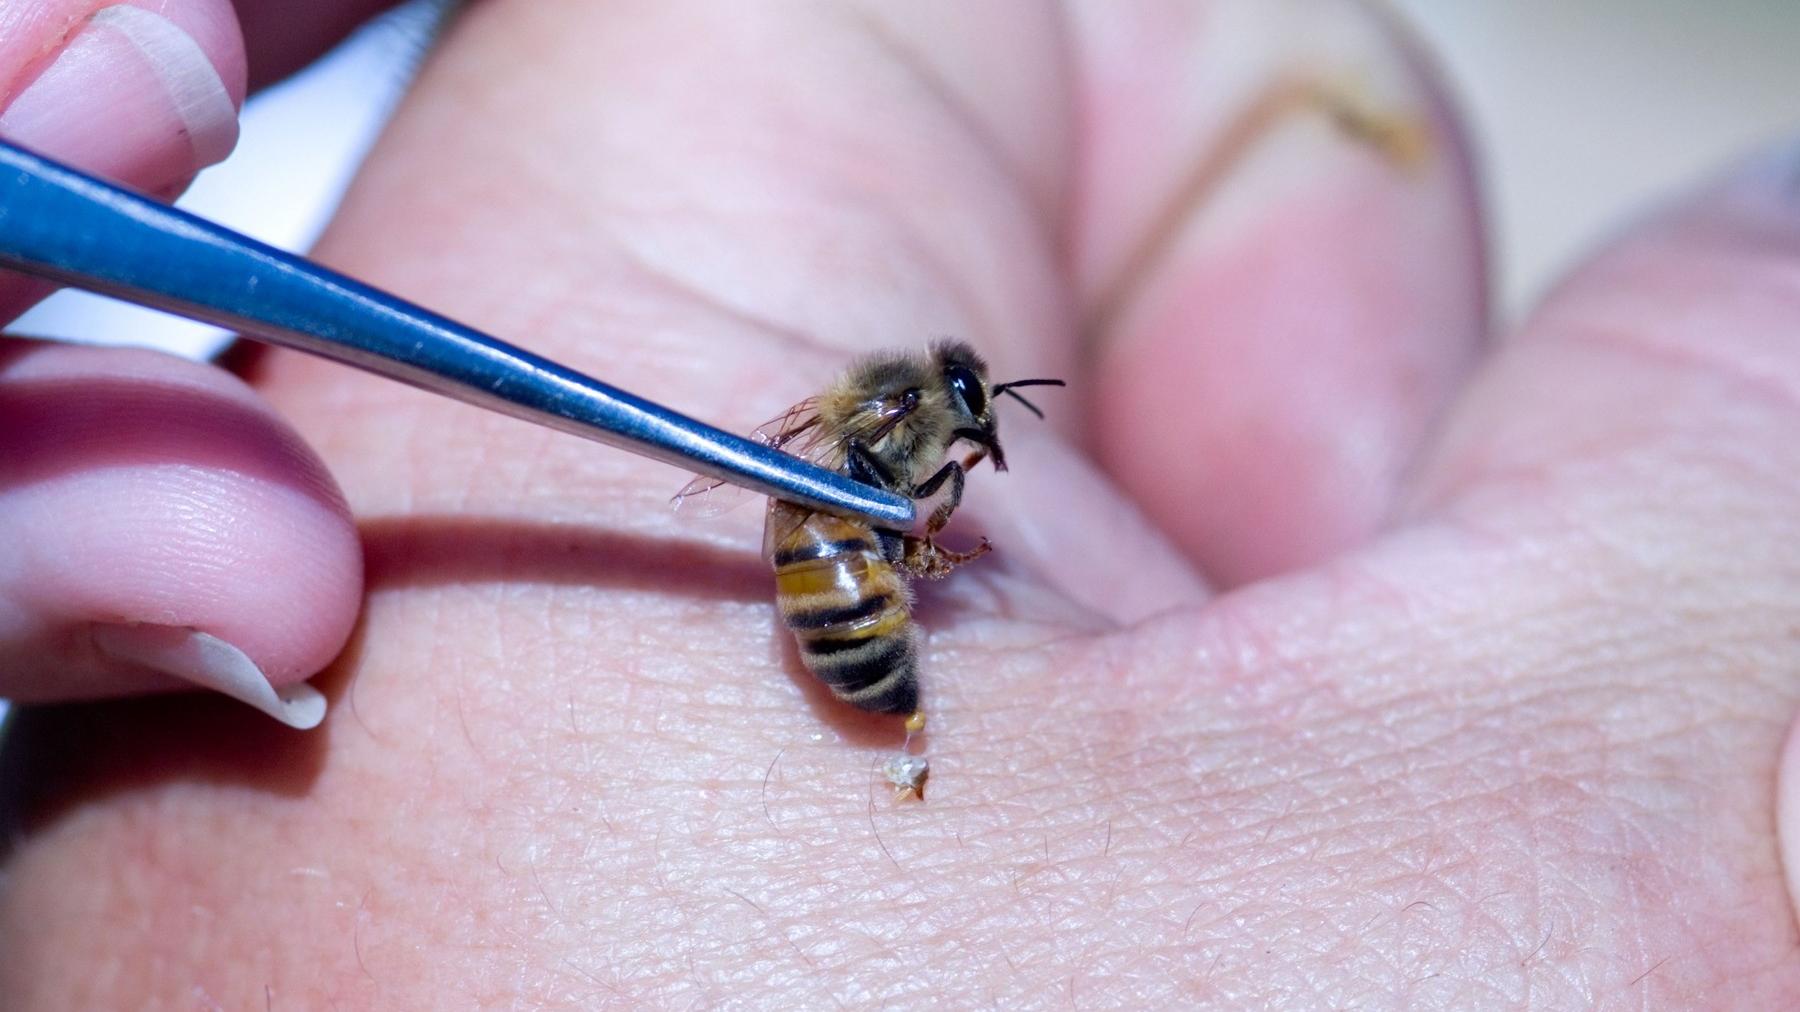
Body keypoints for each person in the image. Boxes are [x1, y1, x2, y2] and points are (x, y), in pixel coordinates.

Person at [4, 1, 1797, 1005]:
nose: (975, 440)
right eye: (965, 430)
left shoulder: (886, 436)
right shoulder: (883, 450)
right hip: (839, 592)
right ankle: (903, 713)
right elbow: (872, 496)